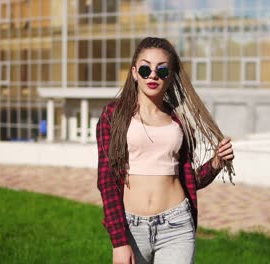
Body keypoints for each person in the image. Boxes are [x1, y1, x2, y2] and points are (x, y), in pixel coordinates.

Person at [96, 37, 235, 264]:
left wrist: (217, 162)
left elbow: (189, 179)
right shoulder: (113, 115)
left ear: (170, 76)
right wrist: (119, 241)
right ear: (134, 72)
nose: (152, 75)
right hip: (132, 228)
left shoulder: (178, 122)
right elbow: (107, 179)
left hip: (176, 225)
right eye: (145, 68)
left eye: (161, 70)